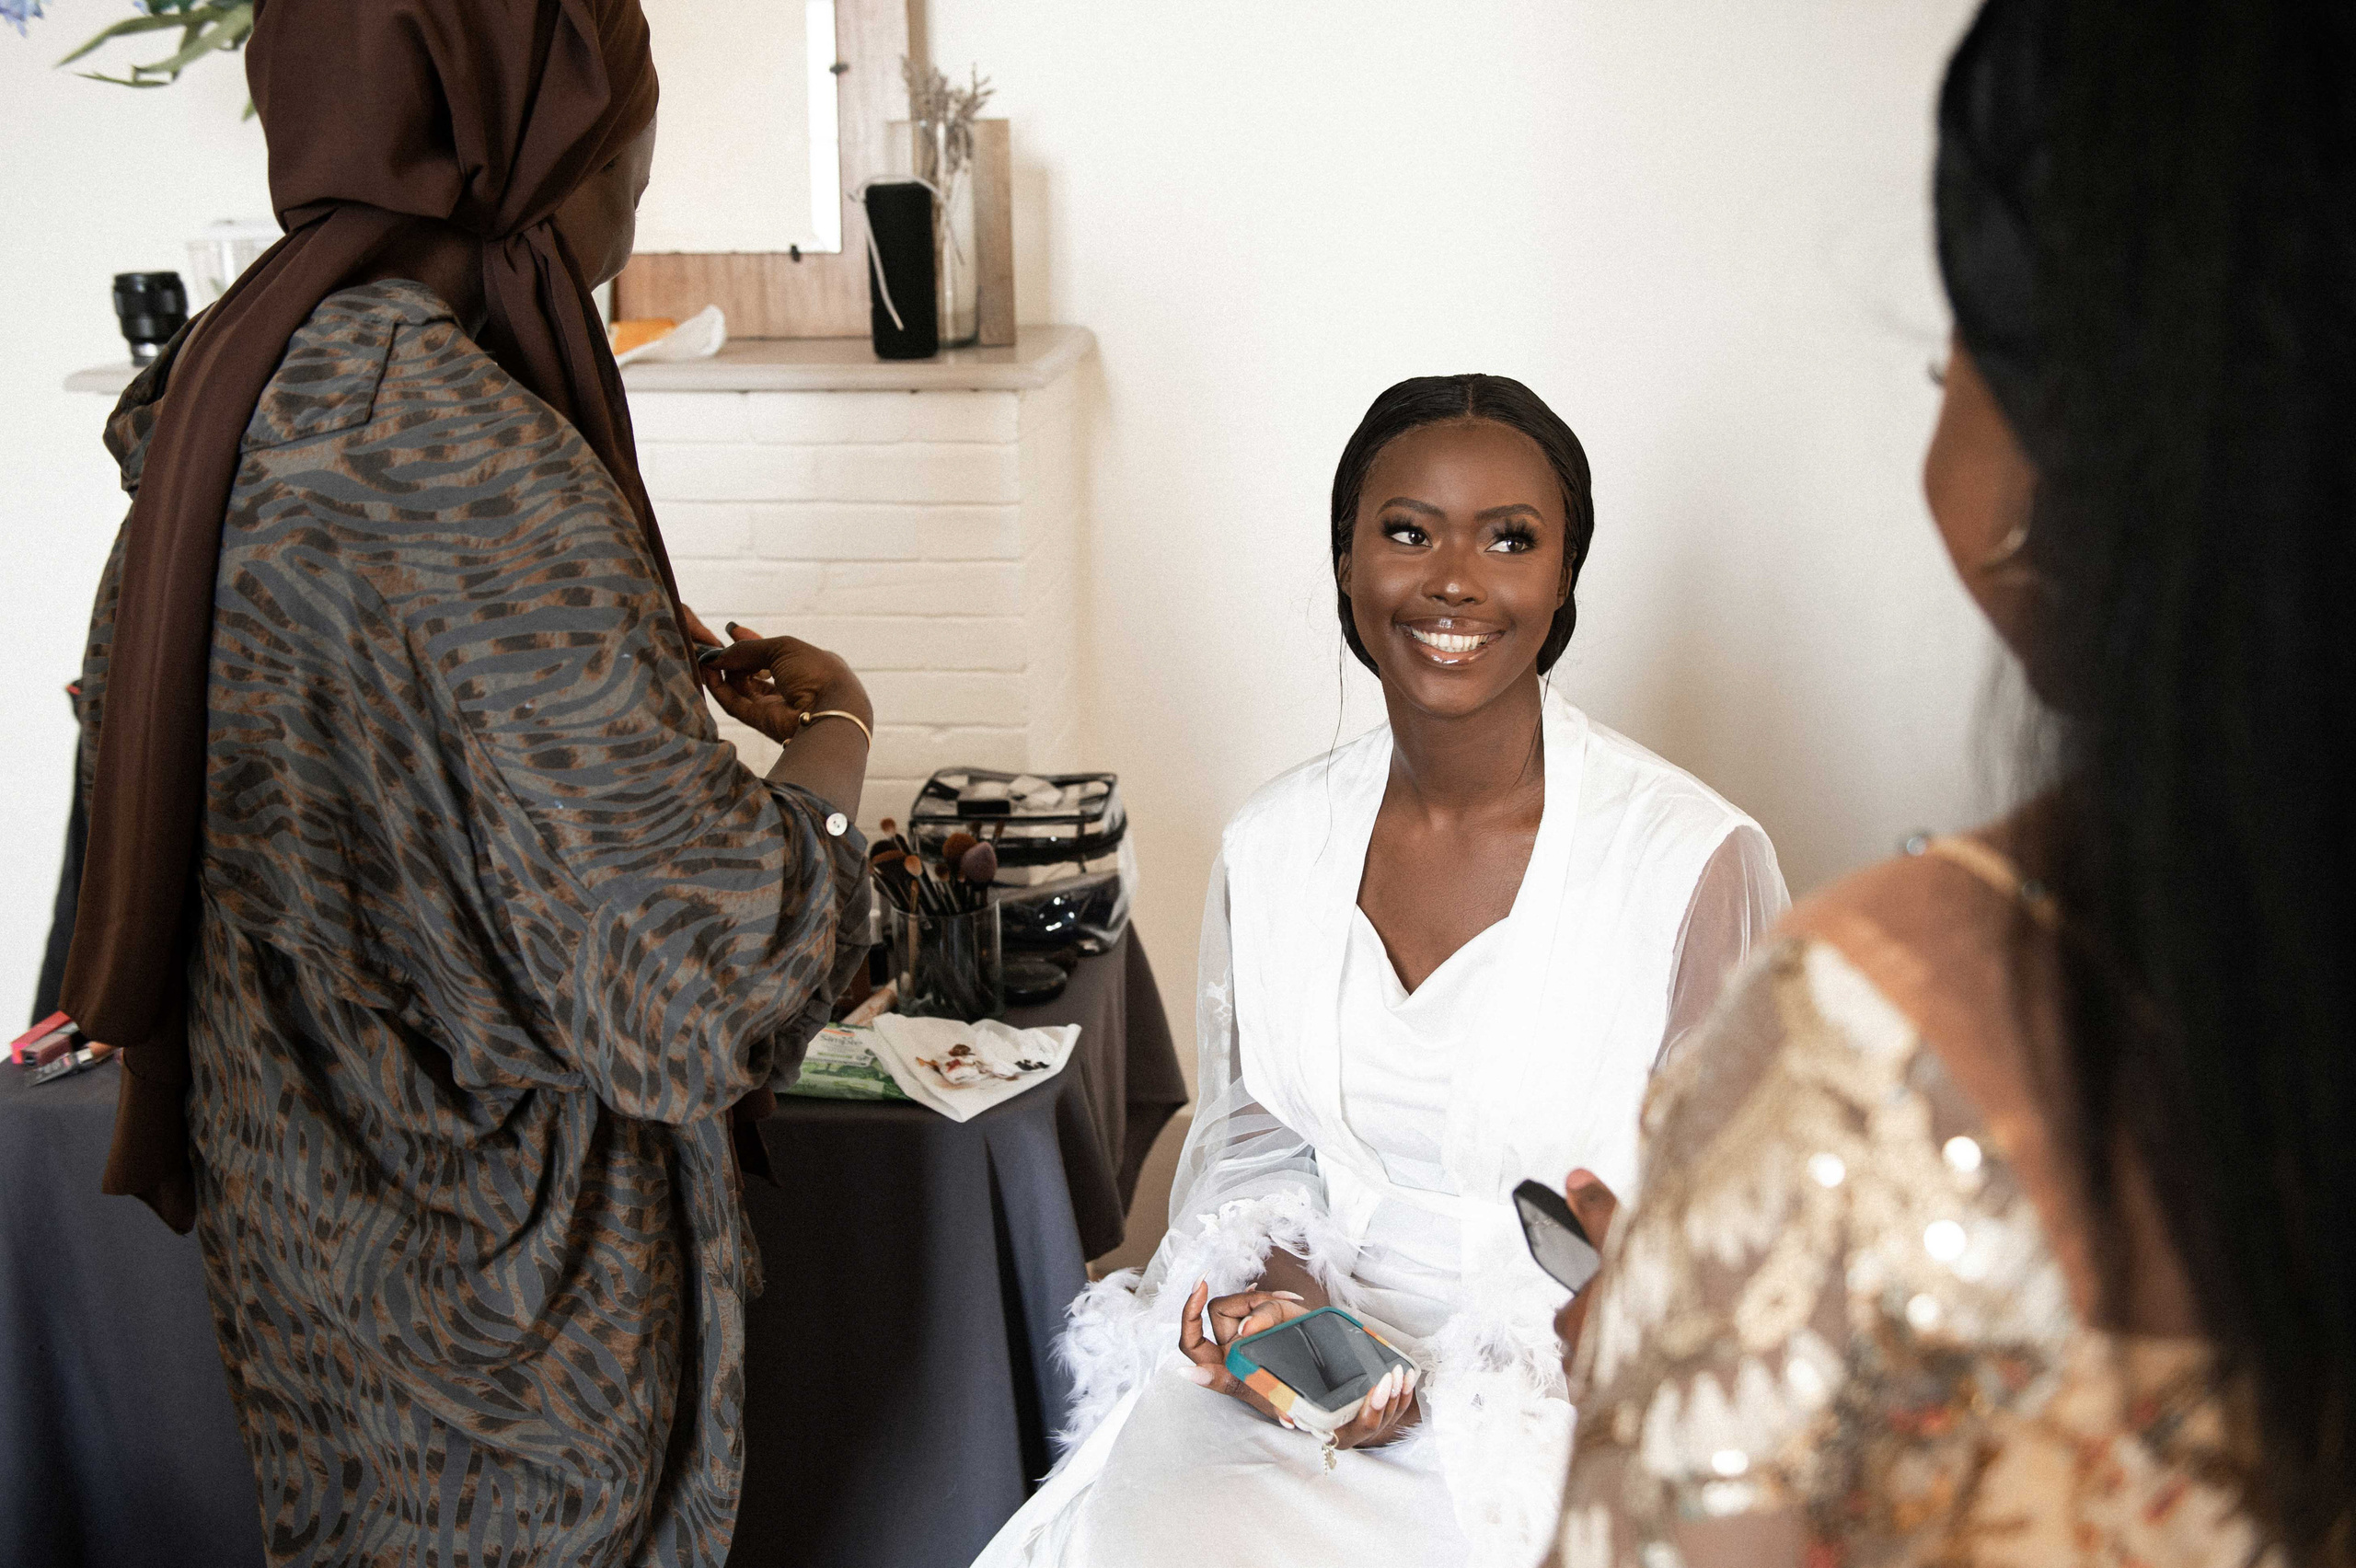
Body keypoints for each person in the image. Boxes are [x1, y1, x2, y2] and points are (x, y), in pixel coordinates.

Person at [56, 2, 874, 1562]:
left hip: (308, 1299)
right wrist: (832, 745)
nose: (642, 165)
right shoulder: (475, 473)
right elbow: (702, 981)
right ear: (537, 142)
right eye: (626, 111)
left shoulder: (220, 417)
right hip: (525, 1363)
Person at [1553, 1, 2353, 1565]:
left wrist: (1696, 1376)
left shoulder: (1858, 1068)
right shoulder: (1283, 842)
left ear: (2075, 476)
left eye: (1950, 366)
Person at [976, 375, 1787, 1568]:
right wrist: (1285, 1305)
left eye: (1509, 537)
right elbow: (1266, 1146)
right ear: (1347, 562)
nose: (1455, 578)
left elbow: (1754, 1227)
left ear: (1563, 576)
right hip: (1335, 1353)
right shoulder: (1274, 845)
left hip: (1573, 1374)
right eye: (1408, 532)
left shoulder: (1687, 862)